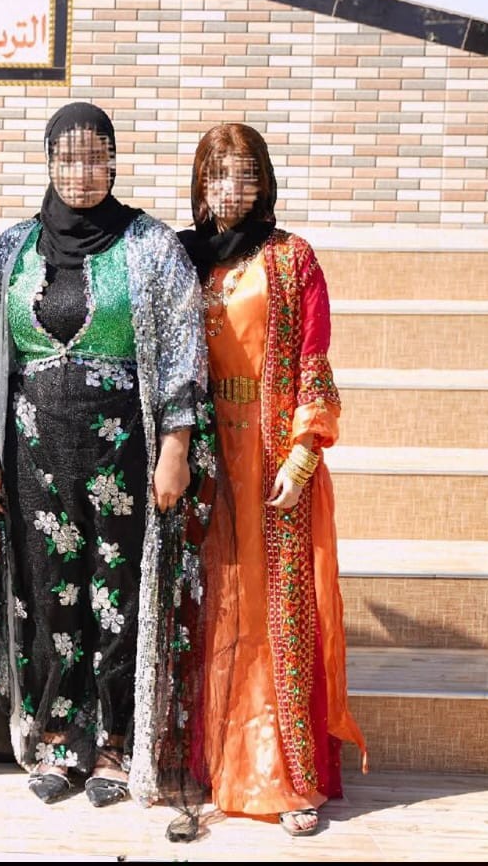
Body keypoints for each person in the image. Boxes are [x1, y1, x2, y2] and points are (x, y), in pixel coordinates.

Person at [0, 102, 215, 812]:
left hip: (124, 457)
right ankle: (58, 738)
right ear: (49, 163)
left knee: (119, 597)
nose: (80, 172)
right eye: (67, 158)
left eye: (94, 157)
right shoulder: (13, 249)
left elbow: (183, 351)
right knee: (49, 596)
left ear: (113, 162)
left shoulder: (151, 246)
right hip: (32, 458)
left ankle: (116, 743)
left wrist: (175, 447)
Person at [178, 123, 367, 836]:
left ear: (264, 184)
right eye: (217, 175)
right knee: (213, 609)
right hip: (203, 460)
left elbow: (314, 358)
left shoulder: (293, 259)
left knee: (277, 614)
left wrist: (302, 453)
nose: (231, 188)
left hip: (273, 460)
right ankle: (216, 764)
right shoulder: (183, 259)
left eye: (245, 174)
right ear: (201, 186)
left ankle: (288, 776)